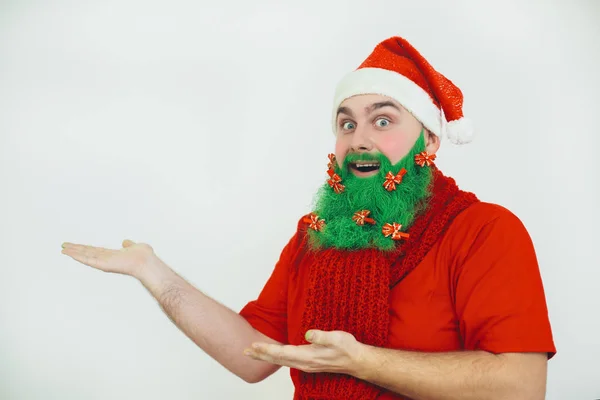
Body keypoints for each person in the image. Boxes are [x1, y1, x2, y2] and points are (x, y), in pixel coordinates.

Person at [61, 36, 556, 399]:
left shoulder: (484, 231)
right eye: (347, 123)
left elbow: (520, 387)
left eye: (383, 120)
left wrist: (362, 363)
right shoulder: (316, 235)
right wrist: (154, 272)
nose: (359, 138)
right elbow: (252, 355)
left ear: (429, 139)